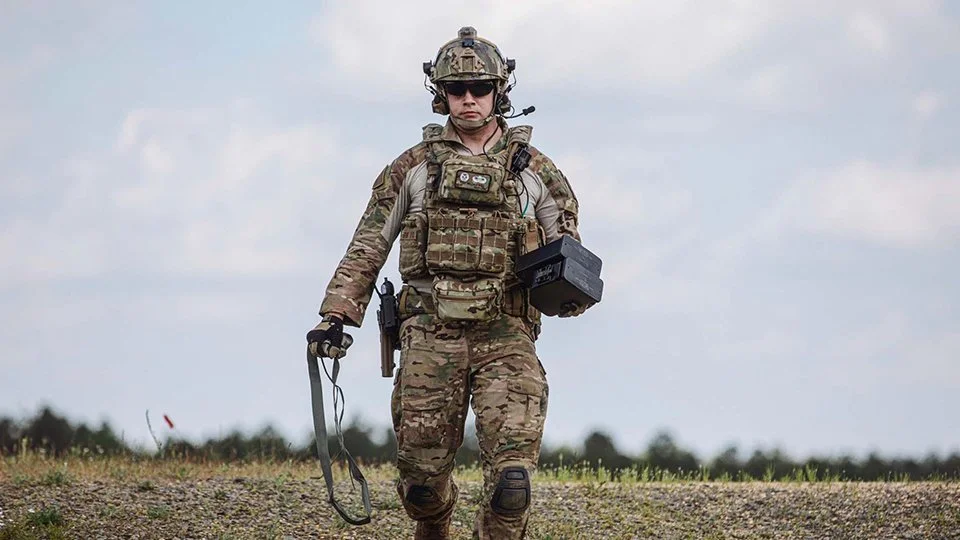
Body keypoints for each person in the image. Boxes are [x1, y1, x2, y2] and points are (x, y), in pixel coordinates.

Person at [307, 26, 589, 539]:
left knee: (512, 485)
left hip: (506, 333)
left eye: (479, 88)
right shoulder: (411, 169)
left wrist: (567, 290)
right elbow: (369, 244)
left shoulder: (536, 173)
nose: (468, 99)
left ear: (498, 92)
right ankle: (435, 525)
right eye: (457, 90)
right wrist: (336, 316)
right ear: (440, 94)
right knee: (420, 486)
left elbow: (566, 247)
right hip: (430, 334)